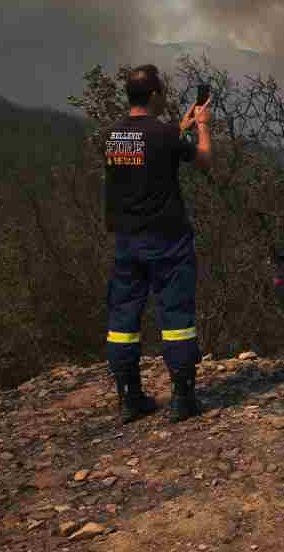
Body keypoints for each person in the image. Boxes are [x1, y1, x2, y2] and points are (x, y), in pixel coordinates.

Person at [103, 64, 212, 425]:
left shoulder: (112, 135)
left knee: (122, 319)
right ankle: (183, 398)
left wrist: (176, 130)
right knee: (176, 316)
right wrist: (202, 126)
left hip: (126, 241)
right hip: (167, 240)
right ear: (153, 95)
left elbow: (144, 152)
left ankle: (129, 398)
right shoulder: (164, 135)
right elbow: (204, 160)